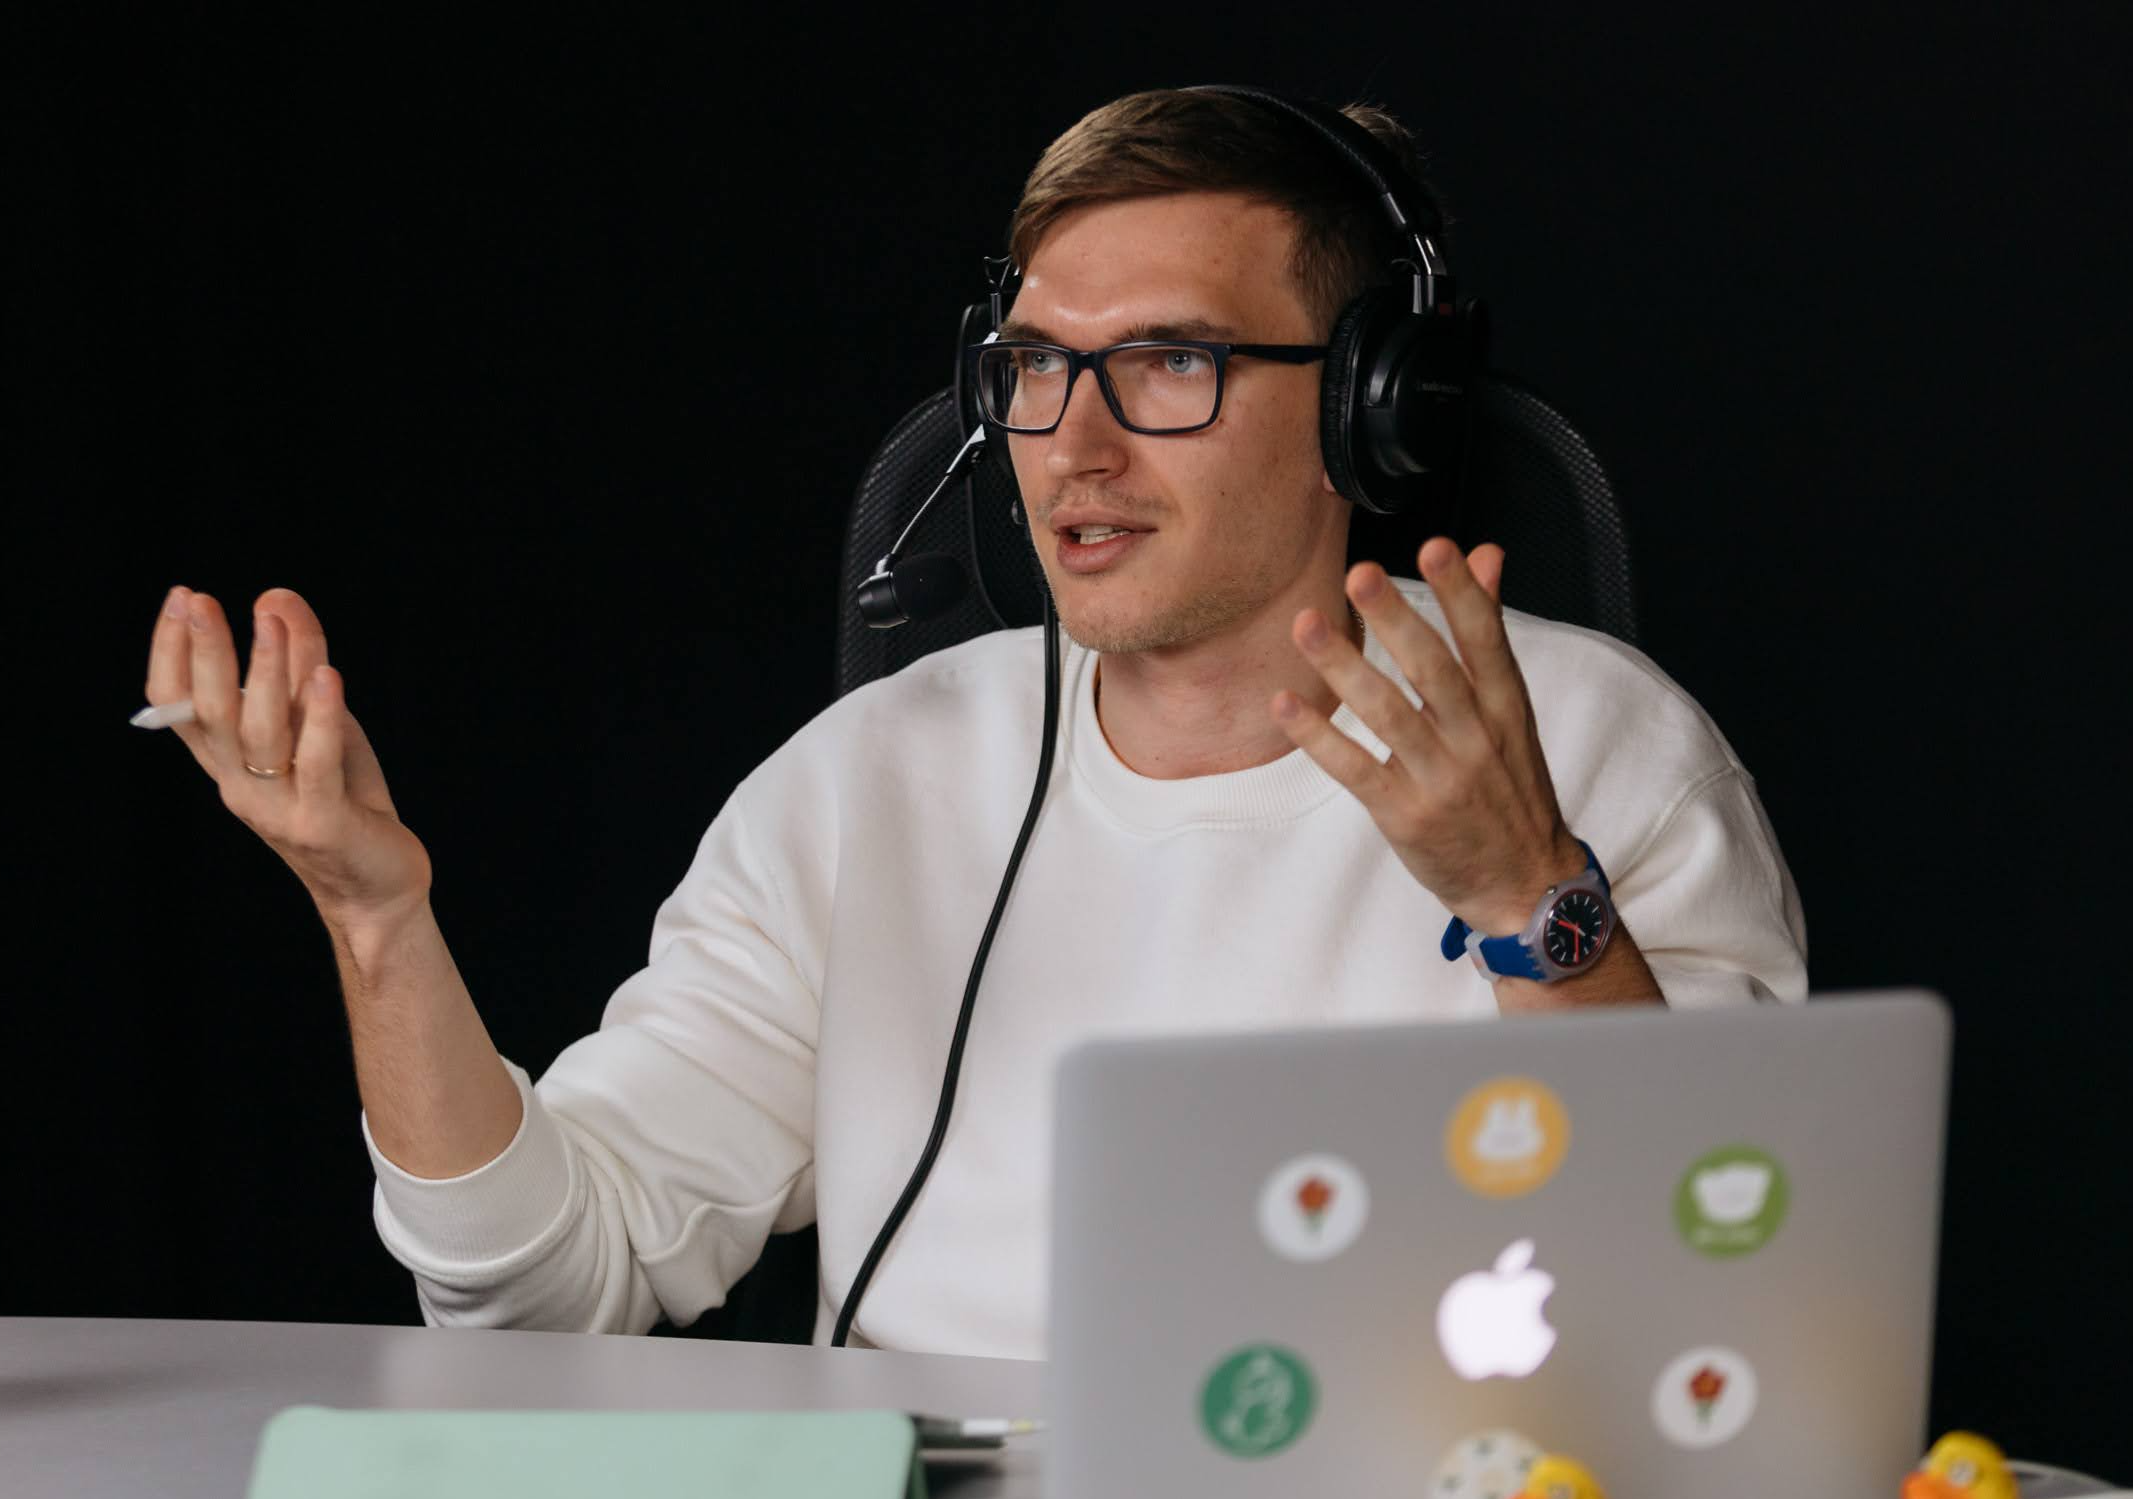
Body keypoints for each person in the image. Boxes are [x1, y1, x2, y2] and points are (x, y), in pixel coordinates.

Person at [136, 88, 1806, 1356]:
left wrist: (1529, 897)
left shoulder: (1599, 749)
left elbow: (1721, 1305)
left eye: (1168, 363)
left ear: (1375, 406)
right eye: (1033, 365)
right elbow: (549, 1287)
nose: (1073, 443)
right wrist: (377, 924)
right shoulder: (868, 781)